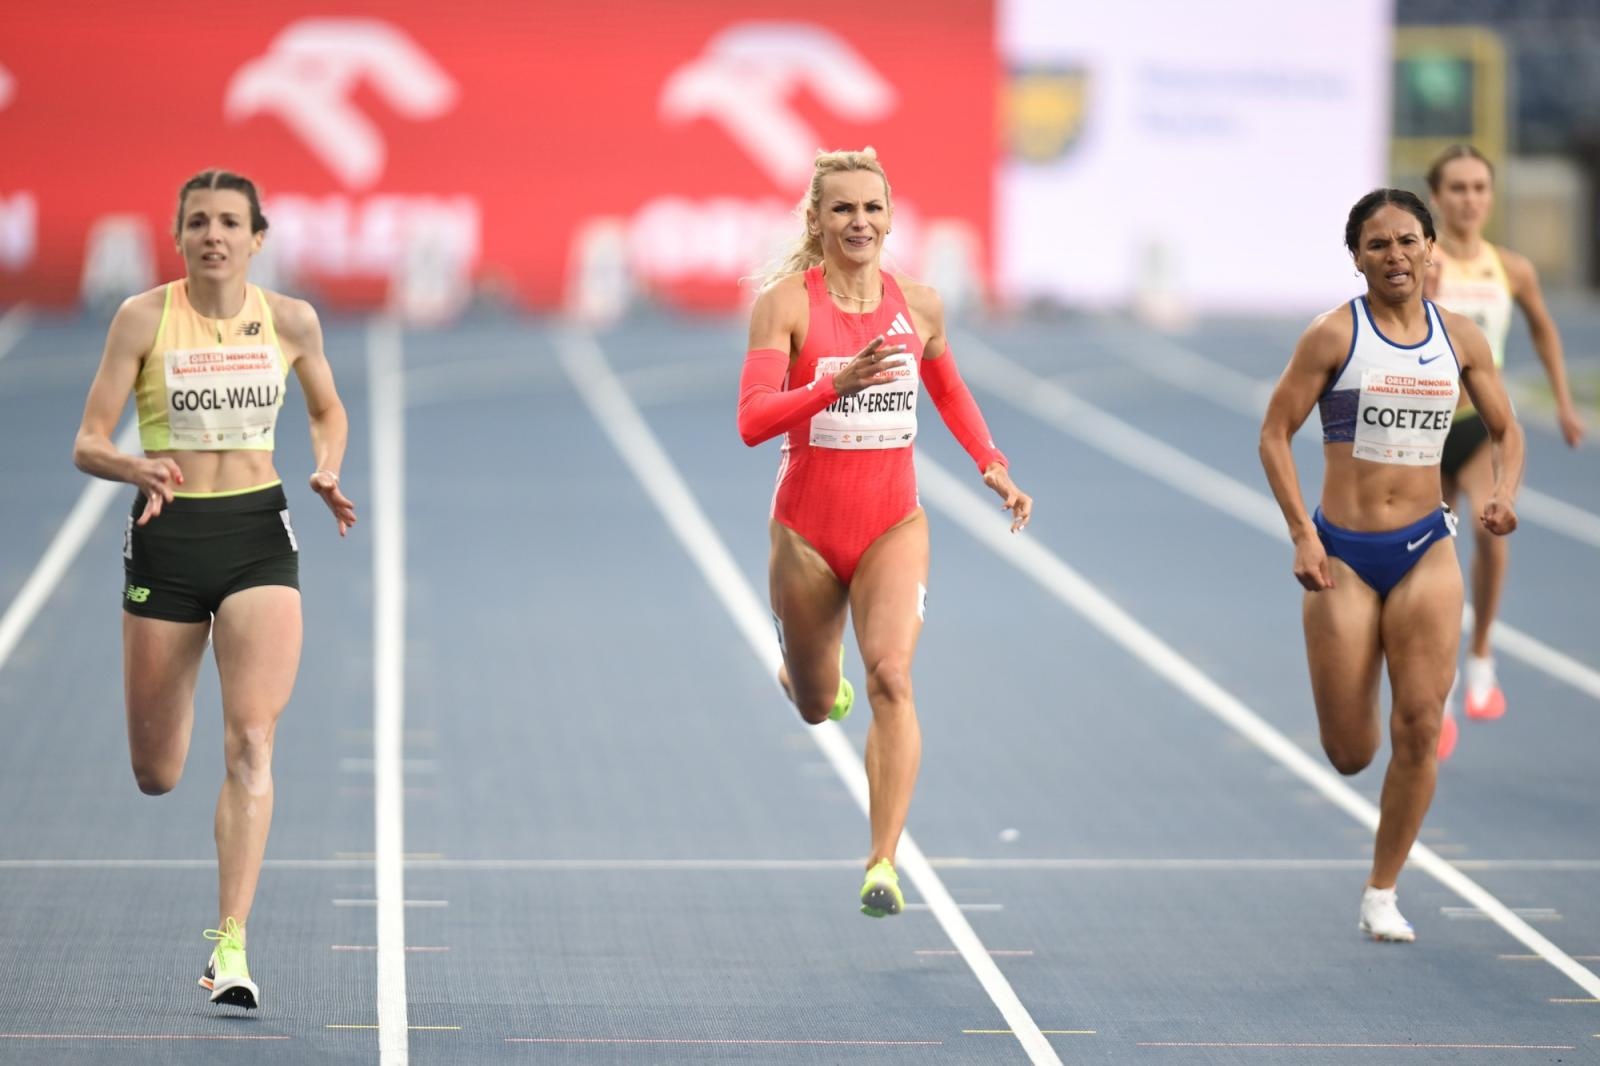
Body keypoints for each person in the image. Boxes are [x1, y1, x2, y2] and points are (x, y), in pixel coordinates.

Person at [72, 169, 357, 1008]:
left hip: (256, 538)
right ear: (179, 235)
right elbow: (88, 440)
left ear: (256, 237)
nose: (214, 235)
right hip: (168, 541)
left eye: (230, 222)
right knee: (157, 770)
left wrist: (328, 467)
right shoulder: (143, 318)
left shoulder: (292, 320)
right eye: (198, 222)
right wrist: (131, 462)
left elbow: (329, 411)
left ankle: (229, 945)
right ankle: (175, 690)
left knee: (252, 744)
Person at [737, 148, 1031, 916]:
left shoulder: (921, 305)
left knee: (893, 677)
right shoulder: (785, 305)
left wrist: (991, 462)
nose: (858, 221)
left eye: (871, 208)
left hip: (892, 525)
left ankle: (882, 862)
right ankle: (809, 682)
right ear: (817, 220)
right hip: (805, 534)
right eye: (842, 209)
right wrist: (831, 383)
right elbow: (750, 421)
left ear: (890, 217)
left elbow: (950, 389)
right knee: (812, 701)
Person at [1258, 189, 1523, 941]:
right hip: (1341, 554)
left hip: (1424, 552)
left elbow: (1507, 431)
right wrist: (1301, 535)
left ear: (1432, 249)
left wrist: (1501, 494)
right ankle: (1361, 685)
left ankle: (1383, 889)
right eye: (1378, 246)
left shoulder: (1463, 339)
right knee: (1351, 752)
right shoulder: (1332, 336)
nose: (1395, 256)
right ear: (1357, 259)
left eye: (1409, 241)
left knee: (1418, 724)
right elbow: (1274, 435)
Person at [1424, 145, 1585, 754]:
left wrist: (1564, 402)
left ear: (1491, 197)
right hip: (1421, 430)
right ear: (1436, 198)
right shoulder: (1418, 261)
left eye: (1479, 188)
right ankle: (1439, 692)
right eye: (1458, 188)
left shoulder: (1511, 268)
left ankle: (1483, 653)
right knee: (1432, 562)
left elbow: (1544, 328)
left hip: (1477, 423)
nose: (1470, 199)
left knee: (1492, 534)